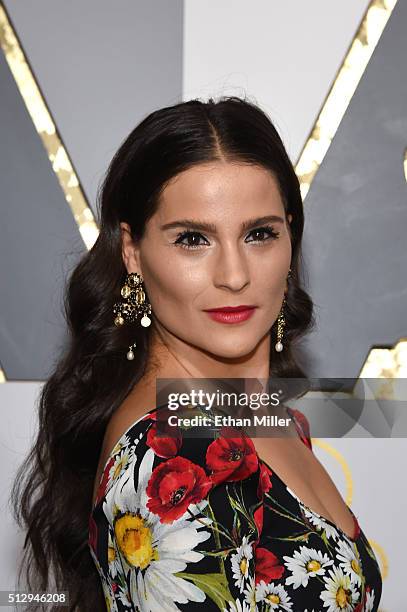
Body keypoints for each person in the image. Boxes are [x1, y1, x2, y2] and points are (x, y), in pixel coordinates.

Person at [12, 96, 382, 611]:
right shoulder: (171, 454)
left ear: (291, 242)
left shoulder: (256, 418)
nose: (234, 275)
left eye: (259, 234)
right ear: (132, 252)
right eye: (192, 239)